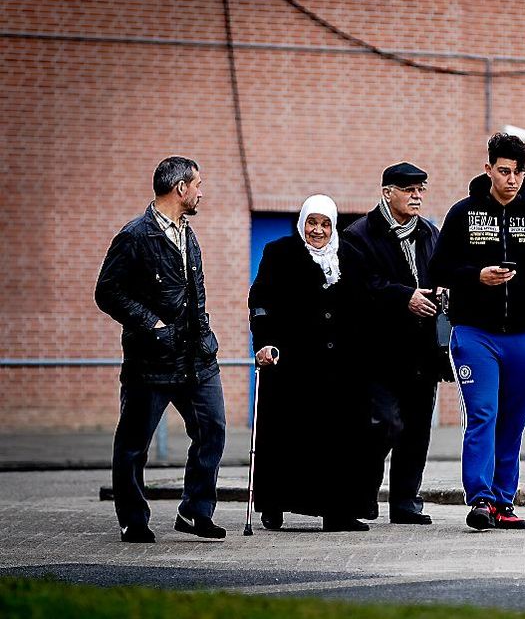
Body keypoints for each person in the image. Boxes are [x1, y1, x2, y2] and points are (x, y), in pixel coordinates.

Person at [430, 133, 525, 530]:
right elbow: (437, 271)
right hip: (476, 334)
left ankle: (504, 502)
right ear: (488, 169)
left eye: (519, 172)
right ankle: (481, 499)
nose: (511, 179)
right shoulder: (462, 214)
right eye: (503, 171)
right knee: (484, 414)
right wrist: (477, 277)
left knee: (513, 422)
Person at [95, 156, 227, 543]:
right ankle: (133, 519)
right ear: (180, 188)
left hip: (196, 359)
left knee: (213, 429)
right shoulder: (136, 235)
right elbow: (107, 292)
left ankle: (194, 511)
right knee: (134, 444)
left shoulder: (187, 232)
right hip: (149, 362)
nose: (201, 191)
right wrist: (151, 324)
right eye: (197, 184)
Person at [248, 194, 370, 532]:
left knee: (339, 441)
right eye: (312, 223)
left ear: (334, 226)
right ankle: (274, 505)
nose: (318, 230)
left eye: (325, 224)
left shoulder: (351, 257)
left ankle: (339, 513)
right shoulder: (279, 253)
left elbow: (365, 307)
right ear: (302, 224)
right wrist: (264, 342)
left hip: (341, 367)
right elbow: (260, 301)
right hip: (293, 364)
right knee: (289, 438)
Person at [343, 162, 444, 525]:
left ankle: (405, 503)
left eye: (421, 189)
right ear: (387, 192)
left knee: (417, 429)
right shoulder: (358, 234)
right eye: (408, 189)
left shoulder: (430, 233)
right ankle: (362, 498)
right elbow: (359, 288)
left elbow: (441, 277)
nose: (417, 195)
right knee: (383, 424)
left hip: (422, 351)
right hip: (379, 352)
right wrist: (405, 297)